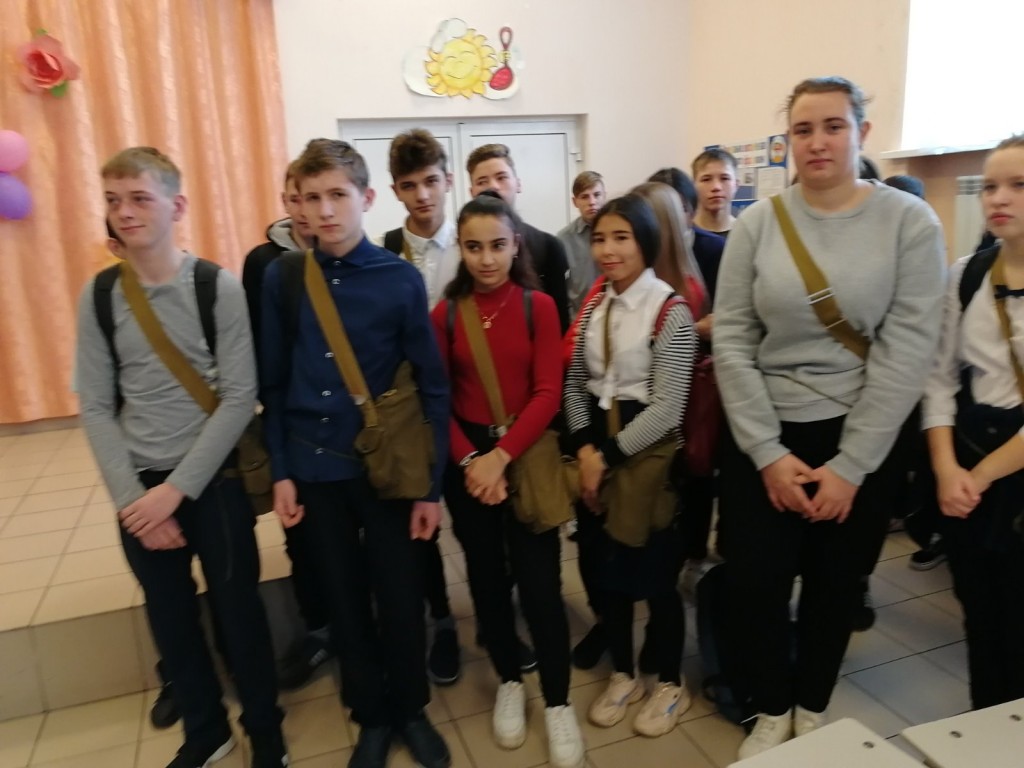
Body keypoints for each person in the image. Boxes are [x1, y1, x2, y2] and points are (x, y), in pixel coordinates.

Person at [713, 76, 945, 759]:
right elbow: (733, 338)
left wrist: (851, 467)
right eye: (803, 129)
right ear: (788, 140)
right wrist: (765, 451)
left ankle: (811, 702)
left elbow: (906, 352)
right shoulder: (758, 224)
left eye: (833, 126)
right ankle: (770, 707)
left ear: (861, 133)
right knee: (755, 584)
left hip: (860, 431)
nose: (817, 142)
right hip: (764, 431)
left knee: (835, 585)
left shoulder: (909, 223)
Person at [77, 147, 288, 768]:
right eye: (113, 200)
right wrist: (133, 501)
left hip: (213, 482)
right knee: (170, 619)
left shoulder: (214, 287)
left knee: (238, 613)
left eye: (140, 198)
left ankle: (265, 730)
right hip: (140, 491)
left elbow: (239, 397)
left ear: (177, 206)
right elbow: (96, 406)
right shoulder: (99, 296)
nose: (125, 212)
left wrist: (176, 492)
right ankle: (206, 729)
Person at [260, 139, 451, 768]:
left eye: (338, 195)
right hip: (314, 468)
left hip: (385, 469)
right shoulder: (285, 278)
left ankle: (411, 709)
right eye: (312, 197)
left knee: (399, 594)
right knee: (342, 600)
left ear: (366, 198)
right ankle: (369, 714)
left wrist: (430, 488)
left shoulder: (399, 279)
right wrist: (281, 472)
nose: (325, 211)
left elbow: (433, 385)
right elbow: (272, 384)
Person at [431, 190, 585, 767]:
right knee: (487, 583)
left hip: (524, 455)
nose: (487, 258)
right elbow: (438, 400)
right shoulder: (445, 315)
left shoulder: (537, 306)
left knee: (542, 587)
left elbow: (547, 392)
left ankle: (559, 702)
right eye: (474, 247)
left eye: (497, 245)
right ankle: (510, 682)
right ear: (461, 249)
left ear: (516, 244)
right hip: (469, 463)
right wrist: (473, 461)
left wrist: (501, 457)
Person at [564, 194, 697, 737]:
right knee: (606, 573)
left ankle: (670, 681)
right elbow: (575, 382)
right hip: (597, 446)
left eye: (621, 237)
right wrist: (584, 449)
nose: (608, 250)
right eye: (599, 238)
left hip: (647, 454)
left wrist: (607, 457)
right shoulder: (594, 303)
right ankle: (623, 673)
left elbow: (668, 407)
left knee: (656, 576)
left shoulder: (670, 310)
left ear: (646, 242)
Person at [922, 134, 1024, 710]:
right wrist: (945, 469)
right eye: (989, 186)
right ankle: (985, 722)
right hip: (967, 468)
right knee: (980, 616)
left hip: (1004, 471)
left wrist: (978, 477)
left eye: (1018, 185)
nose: (998, 198)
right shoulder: (967, 275)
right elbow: (939, 379)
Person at [242, 158, 335, 691]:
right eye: (296, 199)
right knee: (300, 535)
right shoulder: (264, 264)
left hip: (345, 427)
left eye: (316, 198)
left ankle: (358, 624)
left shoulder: (350, 256)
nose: (307, 210)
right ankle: (318, 630)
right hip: (293, 420)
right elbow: (260, 346)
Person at [382, 128, 462, 686]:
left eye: (431, 181)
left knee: (481, 522)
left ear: (448, 180)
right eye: (410, 186)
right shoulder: (384, 251)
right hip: (412, 414)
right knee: (421, 524)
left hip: (472, 407)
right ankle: (443, 621)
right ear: (394, 191)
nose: (423, 195)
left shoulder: (475, 245)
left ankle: (501, 618)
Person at [466, 143, 571, 331]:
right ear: (472, 192)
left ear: (518, 184)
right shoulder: (465, 248)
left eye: (501, 177)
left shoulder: (549, 247)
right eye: (482, 181)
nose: (493, 186)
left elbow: (560, 324)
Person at [557, 171, 606, 316]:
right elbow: (559, 283)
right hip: (579, 317)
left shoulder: (619, 233)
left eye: (597, 195)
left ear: (604, 196)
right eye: (584, 197)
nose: (592, 202)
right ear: (575, 202)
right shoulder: (564, 238)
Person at [691, 148, 740, 237]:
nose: (716, 187)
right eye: (706, 179)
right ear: (693, 186)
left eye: (724, 178)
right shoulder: (682, 234)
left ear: (736, 185)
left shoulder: (746, 233)